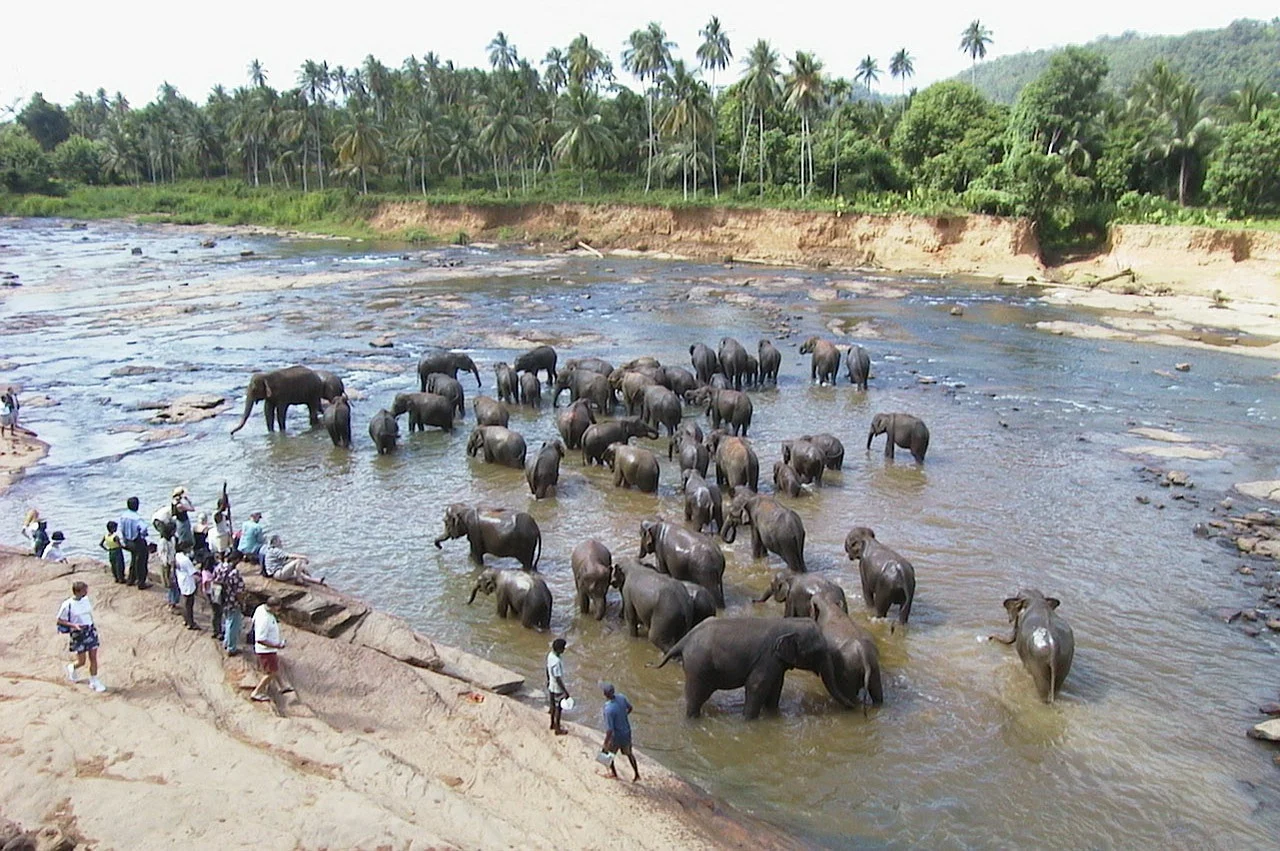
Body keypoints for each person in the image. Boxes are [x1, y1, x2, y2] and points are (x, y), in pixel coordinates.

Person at [57, 581, 106, 693]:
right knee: (82, 661)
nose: (86, 592)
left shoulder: (86, 600)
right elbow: (60, 620)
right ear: (78, 591)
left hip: (89, 630)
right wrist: (74, 625)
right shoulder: (67, 604)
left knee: (93, 656)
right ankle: (73, 667)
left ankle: (94, 680)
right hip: (78, 633)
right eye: (84, 590)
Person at [249, 599, 289, 702]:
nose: (279, 609)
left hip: (270, 649)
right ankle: (257, 692)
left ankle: (282, 686)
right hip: (266, 651)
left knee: (275, 666)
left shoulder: (261, 608)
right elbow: (260, 639)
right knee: (271, 672)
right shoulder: (265, 620)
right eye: (278, 607)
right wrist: (277, 645)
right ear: (273, 607)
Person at [600, 682, 639, 781]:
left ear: (605, 694)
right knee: (629, 754)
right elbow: (630, 708)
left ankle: (614, 774)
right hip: (626, 733)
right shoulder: (622, 697)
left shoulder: (608, 709)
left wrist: (605, 743)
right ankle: (636, 774)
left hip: (616, 737)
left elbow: (610, 729)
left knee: (609, 754)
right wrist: (623, 715)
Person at [213, 554, 246, 656]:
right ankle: (231, 648)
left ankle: (226, 642)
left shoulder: (219, 567)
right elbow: (239, 592)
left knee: (227, 621)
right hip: (232, 602)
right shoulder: (235, 573)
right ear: (235, 560)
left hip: (221, 599)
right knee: (233, 625)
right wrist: (242, 603)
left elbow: (214, 580)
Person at [119, 497, 149, 589]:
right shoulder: (137, 518)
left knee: (133, 559)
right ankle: (141, 583)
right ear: (137, 506)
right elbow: (143, 528)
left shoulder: (123, 516)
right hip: (137, 541)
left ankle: (131, 579)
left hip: (128, 541)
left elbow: (121, 529)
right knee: (141, 562)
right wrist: (143, 535)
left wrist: (124, 540)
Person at [546, 638, 570, 735]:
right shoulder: (557, 662)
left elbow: (547, 669)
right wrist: (565, 691)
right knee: (559, 709)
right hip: (557, 688)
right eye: (563, 648)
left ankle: (552, 724)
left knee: (552, 706)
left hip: (551, 685)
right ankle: (557, 729)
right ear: (559, 649)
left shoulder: (550, 656)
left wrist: (548, 680)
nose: (564, 649)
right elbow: (558, 678)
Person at [174, 541, 199, 630]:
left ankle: (185, 620)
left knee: (184, 602)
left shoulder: (177, 556)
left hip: (181, 580)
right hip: (188, 582)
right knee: (189, 604)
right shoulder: (185, 560)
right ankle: (191, 623)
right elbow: (193, 573)